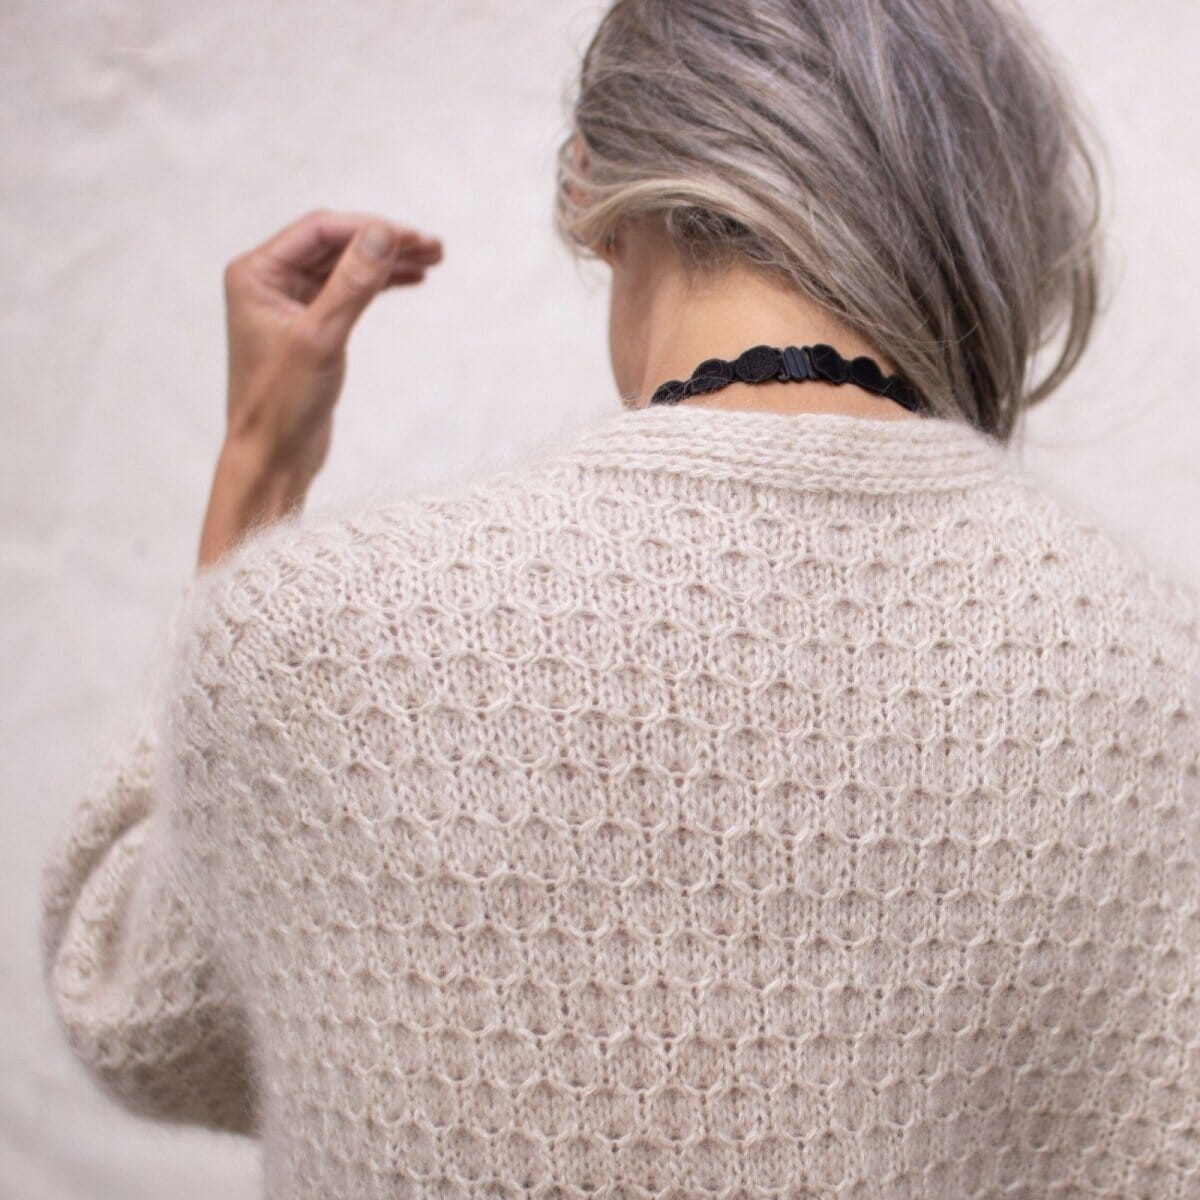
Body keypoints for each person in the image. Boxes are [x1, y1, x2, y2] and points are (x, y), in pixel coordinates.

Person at [41, 0, 1200, 1196]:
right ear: (989, 213)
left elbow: (139, 1006)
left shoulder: (322, 637)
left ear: (595, 190)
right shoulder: (1158, 681)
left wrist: (258, 461)